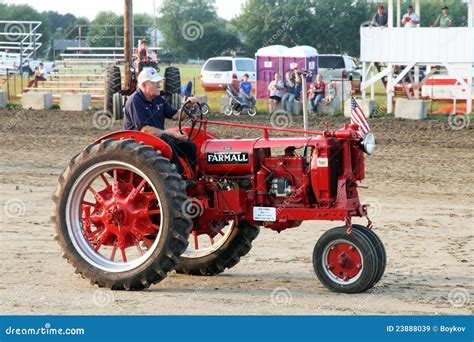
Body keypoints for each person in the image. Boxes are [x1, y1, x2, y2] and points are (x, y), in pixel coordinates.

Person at [124, 67, 197, 176]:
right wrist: (172, 134)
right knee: (166, 139)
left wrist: (188, 106)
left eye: (159, 82)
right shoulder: (135, 101)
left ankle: (195, 176)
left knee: (189, 146)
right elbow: (145, 130)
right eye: (155, 82)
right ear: (144, 85)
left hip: (157, 139)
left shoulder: (158, 99)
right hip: (139, 144)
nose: (159, 85)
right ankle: (181, 177)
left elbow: (176, 115)